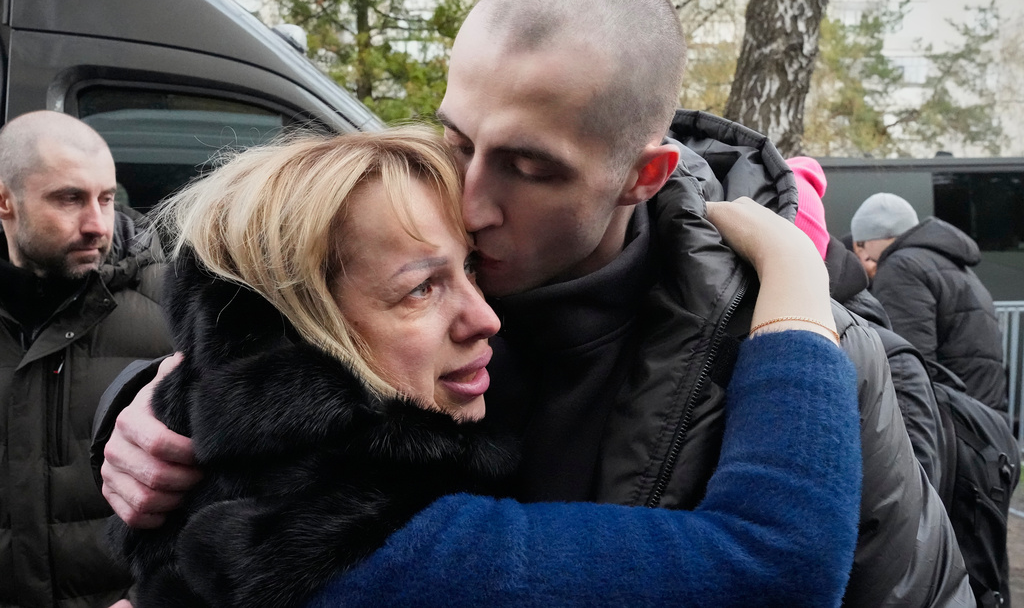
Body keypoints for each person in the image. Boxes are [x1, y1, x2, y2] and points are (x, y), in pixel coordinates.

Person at [95, 0, 974, 606]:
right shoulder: (400, 231)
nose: (469, 203)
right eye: (460, 140)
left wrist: (792, 286)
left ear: (645, 175)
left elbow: (884, 583)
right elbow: (274, 358)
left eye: (528, 167)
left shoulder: (806, 351)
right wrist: (146, 409)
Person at [109, 126, 861, 607]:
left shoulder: (227, 473)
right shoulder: (379, 555)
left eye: (469, 268)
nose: (487, 318)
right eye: (421, 288)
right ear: (300, 337)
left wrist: (129, 404)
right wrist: (796, 279)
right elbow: (779, 563)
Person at [0, 111, 174, 608]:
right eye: (69, 199)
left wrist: (155, 598)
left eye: (105, 198)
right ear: (5, 201)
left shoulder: (171, 308)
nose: (97, 224)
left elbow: (229, 490)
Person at [788, 156, 946, 490]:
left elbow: (910, 488)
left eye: (866, 250)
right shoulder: (942, 260)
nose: (866, 262)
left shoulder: (900, 276)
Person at [852, 191, 1008, 413]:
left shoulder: (900, 267)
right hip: (981, 417)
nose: (860, 255)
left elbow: (909, 368)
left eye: (859, 245)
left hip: (947, 423)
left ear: (872, 240)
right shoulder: (954, 265)